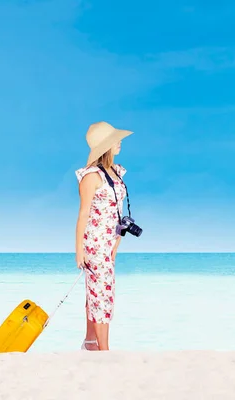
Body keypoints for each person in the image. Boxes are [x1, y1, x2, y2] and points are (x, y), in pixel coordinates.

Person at [74, 121, 133, 351]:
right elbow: (83, 214)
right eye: (114, 139)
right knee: (102, 295)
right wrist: (79, 250)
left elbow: (115, 210)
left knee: (96, 292)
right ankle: (104, 350)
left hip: (109, 243)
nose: (119, 142)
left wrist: (116, 243)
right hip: (96, 244)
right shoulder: (92, 176)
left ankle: (90, 342)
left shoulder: (114, 172)